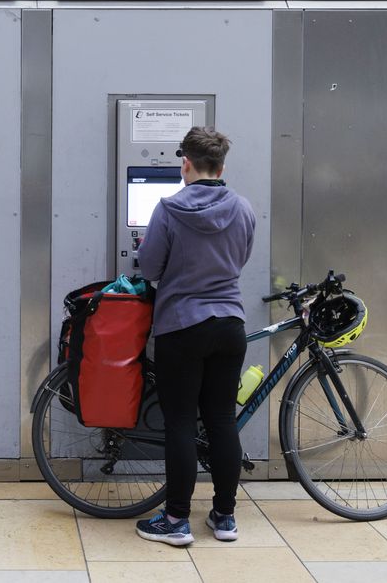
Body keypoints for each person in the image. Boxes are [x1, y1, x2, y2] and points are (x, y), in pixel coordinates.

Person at [135, 126, 257, 546]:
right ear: (221, 166)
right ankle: (224, 517)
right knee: (222, 420)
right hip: (229, 325)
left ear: (184, 164)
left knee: (182, 423)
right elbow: (240, 258)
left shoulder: (168, 210)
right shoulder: (242, 208)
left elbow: (149, 267)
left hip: (182, 327)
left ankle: (176, 520)